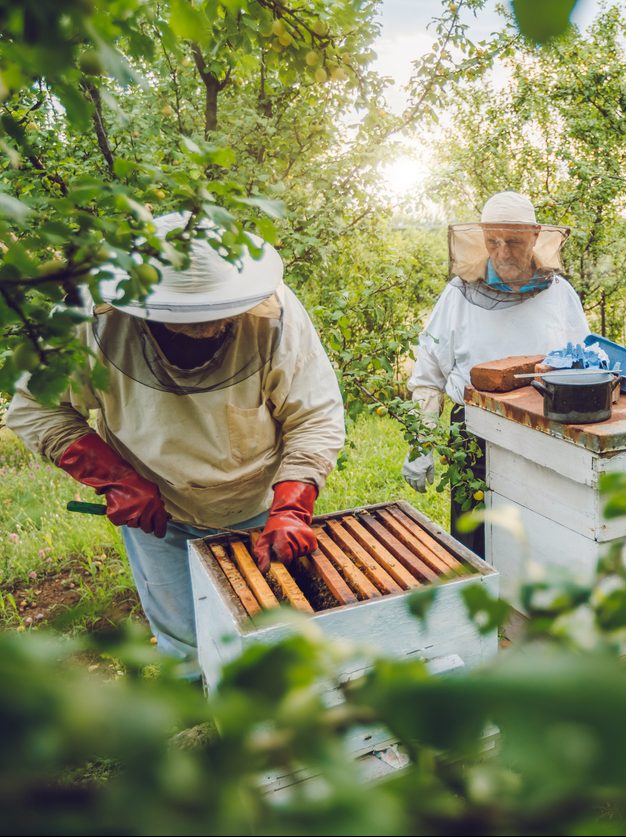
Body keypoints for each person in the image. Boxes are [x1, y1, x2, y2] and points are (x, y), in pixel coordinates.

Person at [5, 211, 345, 676]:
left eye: (216, 313)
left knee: (272, 633)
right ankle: (196, 725)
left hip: (259, 506)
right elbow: (33, 407)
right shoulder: (87, 316)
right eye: (179, 318)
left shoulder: (277, 315)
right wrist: (117, 480)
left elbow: (316, 415)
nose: (202, 326)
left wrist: (292, 506)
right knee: (184, 641)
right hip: (157, 515)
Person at [402, 191, 590, 557]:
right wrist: (421, 446)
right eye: (493, 241)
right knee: (475, 543)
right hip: (473, 437)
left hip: (544, 434)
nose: (503, 252)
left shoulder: (561, 295)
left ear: (536, 236)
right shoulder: (457, 296)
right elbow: (428, 378)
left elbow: (583, 364)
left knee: (539, 540)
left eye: (515, 242)